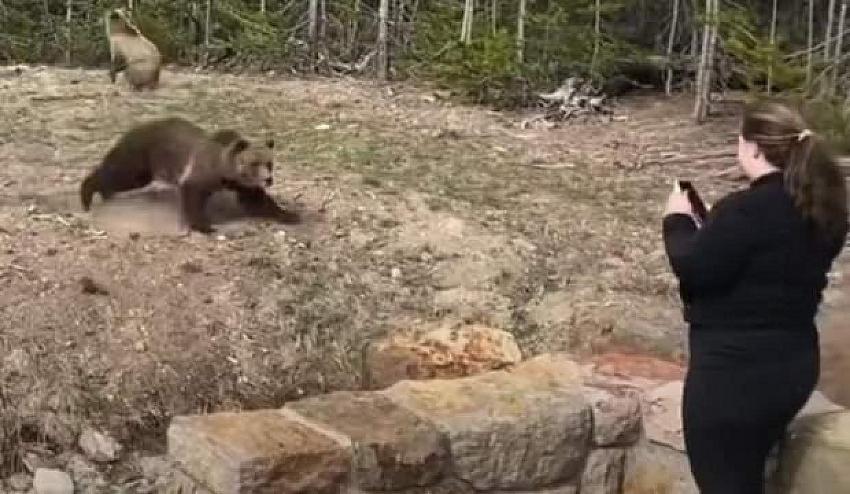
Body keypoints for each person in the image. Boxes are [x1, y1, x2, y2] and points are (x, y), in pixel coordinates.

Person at [662, 100, 848, 494]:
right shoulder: (822, 207)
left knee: (723, 483)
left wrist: (677, 220)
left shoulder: (745, 211)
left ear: (753, 148)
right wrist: (717, 228)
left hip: (733, 378)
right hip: (793, 367)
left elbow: (695, 267)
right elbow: (763, 259)